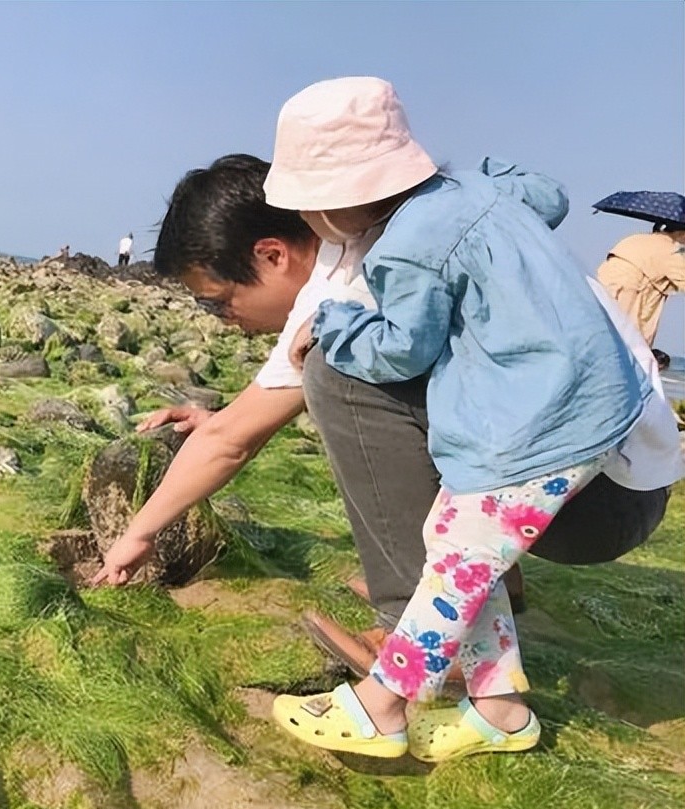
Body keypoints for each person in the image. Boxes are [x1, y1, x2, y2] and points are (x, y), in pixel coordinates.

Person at [91, 144, 680, 761]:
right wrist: (223, 418)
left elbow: (234, 440)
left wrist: (138, 533)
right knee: (356, 380)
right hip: (610, 471)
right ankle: (495, 676)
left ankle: (409, 652)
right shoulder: (418, 225)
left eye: (217, 300)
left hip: (589, 486)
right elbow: (236, 424)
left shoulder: (373, 272)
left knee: (335, 374)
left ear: (272, 253)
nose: (221, 320)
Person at [257, 76, 675, 761]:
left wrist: (334, 321)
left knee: (455, 564)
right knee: (458, 543)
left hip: (543, 422)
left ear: (340, 202)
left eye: (308, 211)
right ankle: (500, 711)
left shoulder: (405, 248)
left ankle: (381, 705)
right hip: (598, 404)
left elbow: (400, 350)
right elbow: (551, 196)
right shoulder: (484, 194)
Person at [596, 221, 685, 349]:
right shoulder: (669, 249)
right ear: (680, 233)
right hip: (630, 292)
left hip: (603, 286)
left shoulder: (633, 239)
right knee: (629, 346)